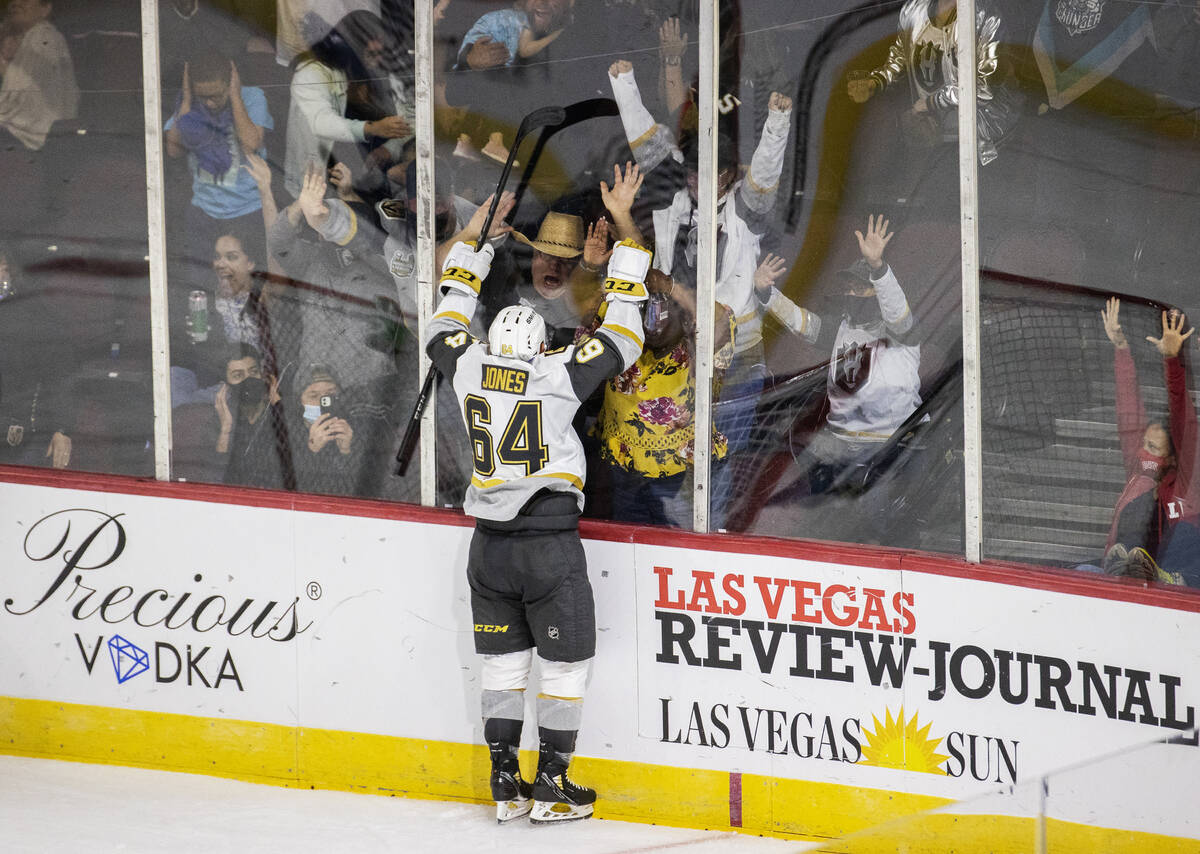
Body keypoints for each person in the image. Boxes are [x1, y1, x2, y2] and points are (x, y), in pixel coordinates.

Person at [424, 236, 650, 823]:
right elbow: (623, 339)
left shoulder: (468, 366)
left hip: (488, 550)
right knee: (565, 668)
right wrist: (626, 269)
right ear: (539, 346)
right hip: (548, 547)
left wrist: (468, 266)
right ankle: (552, 783)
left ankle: (506, 783)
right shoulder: (553, 375)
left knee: (501, 667)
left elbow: (440, 328)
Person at [607, 58, 792, 527]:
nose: (695, 181)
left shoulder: (746, 209)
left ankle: (715, 540)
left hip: (736, 356)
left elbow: (767, 179)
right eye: (691, 173)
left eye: (706, 175)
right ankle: (664, 533)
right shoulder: (676, 195)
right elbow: (649, 144)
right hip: (679, 352)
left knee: (719, 458)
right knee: (665, 446)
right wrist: (624, 83)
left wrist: (776, 124)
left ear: (730, 175)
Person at [755, 216, 922, 543]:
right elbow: (802, 323)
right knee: (820, 515)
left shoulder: (902, 332)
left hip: (891, 445)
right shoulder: (841, 328)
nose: (851, 292)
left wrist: (879, 268)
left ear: (876, 291)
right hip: (841, 443)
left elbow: (895, 307)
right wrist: (767, 294)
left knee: (882, 524)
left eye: (860, 286)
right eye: (848, 287)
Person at [594, 269, 733, 528]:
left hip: (687, 480)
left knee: (687, 555)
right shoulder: (624, 342)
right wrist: (592, 268)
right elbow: (583, 307)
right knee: (632, 549)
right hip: (628, 476)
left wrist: (670, 286)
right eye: (645, 308)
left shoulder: (694, 348)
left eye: (662, 309)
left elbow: (720, 322)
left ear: (685, 315)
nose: (652, 321)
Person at [846, 0, 1016, 167]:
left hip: (975, 141)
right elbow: (900, 57)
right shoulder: (913, 9)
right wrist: (875, 83)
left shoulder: (985, 17)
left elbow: (982, 88)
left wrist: (930, 103)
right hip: (926, 135)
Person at [1099, 299, 1197, 584]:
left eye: (1154, 448)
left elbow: (1182, 416)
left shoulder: (1187, 480)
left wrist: (1171, 360)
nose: (1143, 452)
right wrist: (1120, 348)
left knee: (1187, 531)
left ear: (1173, 459)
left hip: (1178, 574)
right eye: (1144, 444)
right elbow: (1128, 409)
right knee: (1081, 572)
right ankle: (1123, 562)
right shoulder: (1139, 476)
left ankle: (1167, 575)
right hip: (1125, 573)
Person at [164, 52, 274, 294]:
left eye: (216, 95)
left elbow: (250, 145)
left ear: (231, 81)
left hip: (248, 211)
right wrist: (186, 102)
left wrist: (235, 96)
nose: (210, 103)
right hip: (204, 210)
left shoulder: (252, 97)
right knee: (201, 287)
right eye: (204, 98)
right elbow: (173, 150)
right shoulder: (189, 102)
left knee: (250, 288)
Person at [283, 10, 411, 199]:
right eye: (372, 53)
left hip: (369, 179)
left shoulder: (375, 72)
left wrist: (389, 149)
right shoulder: (311, 73)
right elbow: (321, 122)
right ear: (352, 46)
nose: (378, 60)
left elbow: (409, 116)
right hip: (316, 185)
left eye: (382, 53)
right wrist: (372, 128)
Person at [0, 0, 77, 152]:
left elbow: (19, 95)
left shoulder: (44, 36)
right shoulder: (26, 37)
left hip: (34, 134)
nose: (16, 3)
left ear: (45, 9)